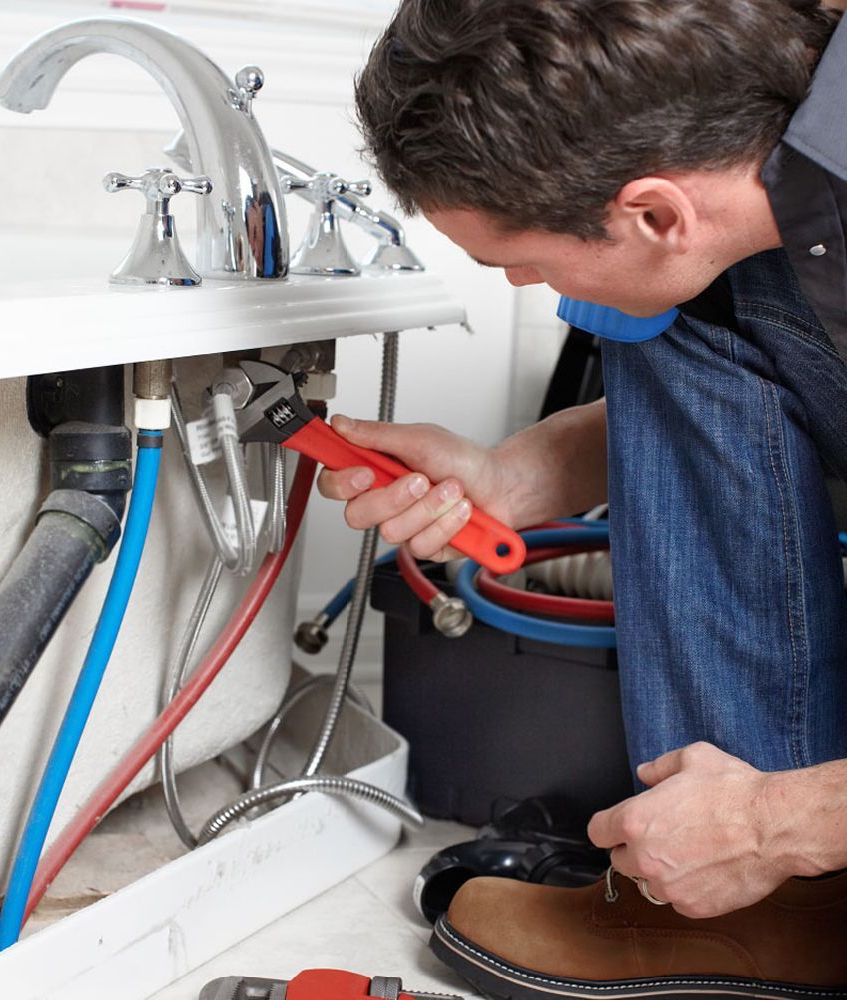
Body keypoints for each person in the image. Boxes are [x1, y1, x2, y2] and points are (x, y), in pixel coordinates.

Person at [319, 1, 847, 996]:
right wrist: (518, 477)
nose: (519, 283)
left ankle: (776, 863)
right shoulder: (769, 146)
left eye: (513, 258)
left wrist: (776, 819)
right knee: (669, 311)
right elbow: (776, 364)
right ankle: (761, 917)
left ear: (654, 211)